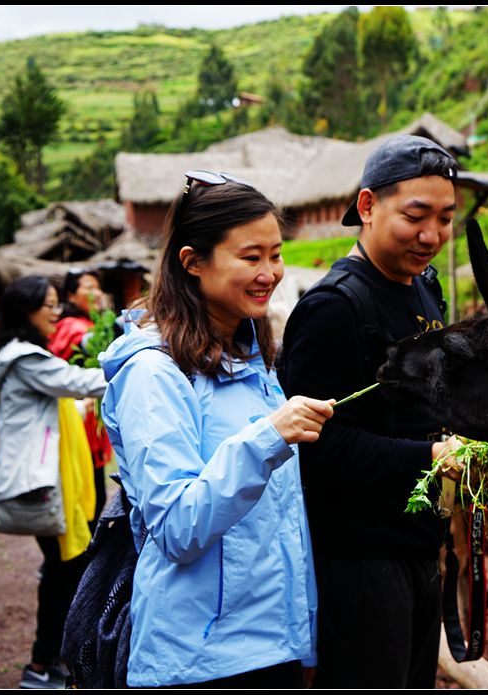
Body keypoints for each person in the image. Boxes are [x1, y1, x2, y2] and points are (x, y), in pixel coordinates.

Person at [98, 171, 333, 688]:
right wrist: (267, 438)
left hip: (271, 649)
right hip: (199, 662)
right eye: (251, 257)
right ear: (192, 262)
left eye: (275, 254)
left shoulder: (251, 360)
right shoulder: (153, 374)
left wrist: (304, 633)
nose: (269, 272)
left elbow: (282, 524)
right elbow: (179, 528)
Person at [278, 134, 464, 688]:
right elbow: (315, 448)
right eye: (416, 215)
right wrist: (429, 456)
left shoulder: (424, 291)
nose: (432, 235)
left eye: (446, 218)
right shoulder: (332, 309)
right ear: (367, 206)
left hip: (419, 548)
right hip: (357, 564)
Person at [0, 275, 108, 690]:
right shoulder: (28, 359)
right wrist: (140, 357)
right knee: (64, 571)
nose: (57, 311)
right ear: (25, 310)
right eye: (49, 304)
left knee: (62, 569)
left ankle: (50, 661)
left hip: (44, 479)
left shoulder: (17, 356)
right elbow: (85, 381)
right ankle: (44, 664)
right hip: (42, 482)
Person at [47, 268, 114, 525]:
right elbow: (87, 341)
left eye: (98, 287)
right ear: (71, 295)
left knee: (94, 494)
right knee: (88, 497)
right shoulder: (71, 326)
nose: (96, 292)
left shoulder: (90, 322)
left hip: (89, 423)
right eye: (88, 287)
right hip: (78, 421)